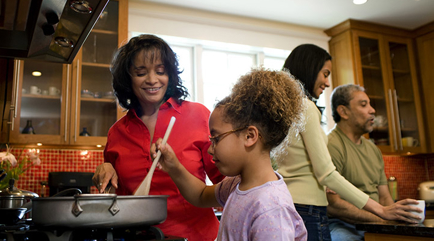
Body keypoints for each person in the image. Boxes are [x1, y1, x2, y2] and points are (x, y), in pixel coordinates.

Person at [276, 44, 420, 241]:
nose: (327, 82)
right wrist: (381, 211)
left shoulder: (282, 110)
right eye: (325, 73)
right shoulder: (307, 108)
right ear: (309, 69)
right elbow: (326, 173)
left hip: (289, 205)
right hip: (309, 209)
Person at [92, 34, 224, 241]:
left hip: (196, 236)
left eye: (160, 71)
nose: (152, 80)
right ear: (128, 78)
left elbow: (227, 181)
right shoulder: (117, 132)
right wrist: (106, 168)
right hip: (136, 236)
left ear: (170, 74)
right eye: (141, 72)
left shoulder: (199, 116)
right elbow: (118, 196)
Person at [152, 67, 308, 241]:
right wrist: (173, 166)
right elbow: (201, 195)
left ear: (250, 136)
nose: (210, 148)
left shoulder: (271, 208)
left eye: (216, 139)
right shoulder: (237, 185)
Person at [327, 84, 421, 240]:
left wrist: (394, 219)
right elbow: (334, 204)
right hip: (342, 224)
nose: (372, 110)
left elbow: (384, 197)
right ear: (343, 111)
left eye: (370, 104)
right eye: (363, 105)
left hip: (376, 222)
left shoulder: (373, 149)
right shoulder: (331, 145)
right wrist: (383, 220)